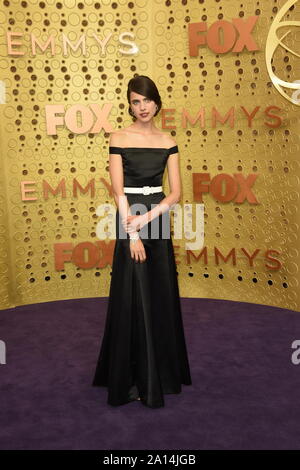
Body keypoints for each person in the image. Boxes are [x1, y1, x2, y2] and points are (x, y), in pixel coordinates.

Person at [92, 75, 192, 408]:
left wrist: (148, 219)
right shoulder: (118, 137)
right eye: (136, 101)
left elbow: (176, 192)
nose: (142, 107)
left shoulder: (168, 140)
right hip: (128, 220)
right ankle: (131, 377)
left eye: (147, 100)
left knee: (159, 293)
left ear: (157, 102)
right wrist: (132, 233)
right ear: (130, 105)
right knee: (132, 296)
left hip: (156, 219)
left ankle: (162, 373)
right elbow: (118, 190)